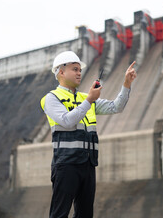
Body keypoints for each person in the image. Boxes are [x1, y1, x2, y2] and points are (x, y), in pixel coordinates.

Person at [40, 51, 137, 218]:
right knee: (59, 214)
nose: (79, 73)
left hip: (88, 164)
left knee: (85, 214)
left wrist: (126, 84)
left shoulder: (87, 98)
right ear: (61, 72)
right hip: (66, 164)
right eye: (74, 69)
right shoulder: (51, 98)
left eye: (79, 69)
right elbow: (67, 121)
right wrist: (89, 101)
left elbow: (116, 107)